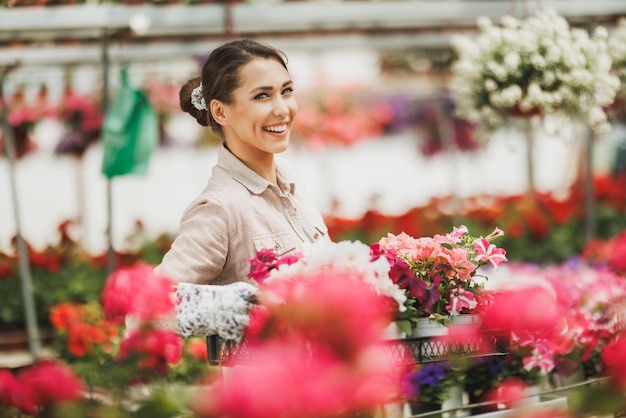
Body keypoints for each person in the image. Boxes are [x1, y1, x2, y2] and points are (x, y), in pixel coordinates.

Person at [154, 38, 331, 339]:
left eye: (286, 91)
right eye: (262, 96)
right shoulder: (220, 207)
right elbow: (148, 311)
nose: (282, 109)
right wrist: (250, 307)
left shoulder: (290, 178)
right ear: (221, 112)